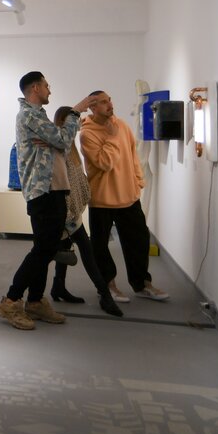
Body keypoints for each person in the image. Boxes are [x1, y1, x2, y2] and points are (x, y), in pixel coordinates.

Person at [0, 72, 96, 330]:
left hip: (52, 190)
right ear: (35, 88)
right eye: (47, 86)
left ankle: (35, 301)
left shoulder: (38, 115)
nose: (50, 90)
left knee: (45, 249)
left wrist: (55, 140)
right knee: (43, 250)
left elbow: (59, 142)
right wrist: (74, 112)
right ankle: (11, 300)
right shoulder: (29, 115)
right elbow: (63, 140)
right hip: (44, 193)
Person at [79, 91, 170, 302]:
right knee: (100, 246)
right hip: (102, 200)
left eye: (109, 100)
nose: (110, 104)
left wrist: (138, 181)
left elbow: (132, 155)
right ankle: (108, 285)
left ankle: (142, 284)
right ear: (92, 107)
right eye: (103, 102)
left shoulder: (122, 126)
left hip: (129, 197)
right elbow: (105, 163)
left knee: (139, 241)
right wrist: (111, 137)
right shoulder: (87, 134)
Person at [48, 106, 124, 317]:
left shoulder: (70, 147)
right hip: (65, 211)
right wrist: (69, 211)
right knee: (86, 250)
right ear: (63, 123)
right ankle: (105, 294)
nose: (79, 124)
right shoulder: (60, 148)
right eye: (74, 121)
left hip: (70, 211)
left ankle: (58, 287)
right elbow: (63, 183)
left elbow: (75, 179)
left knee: (65, 248)